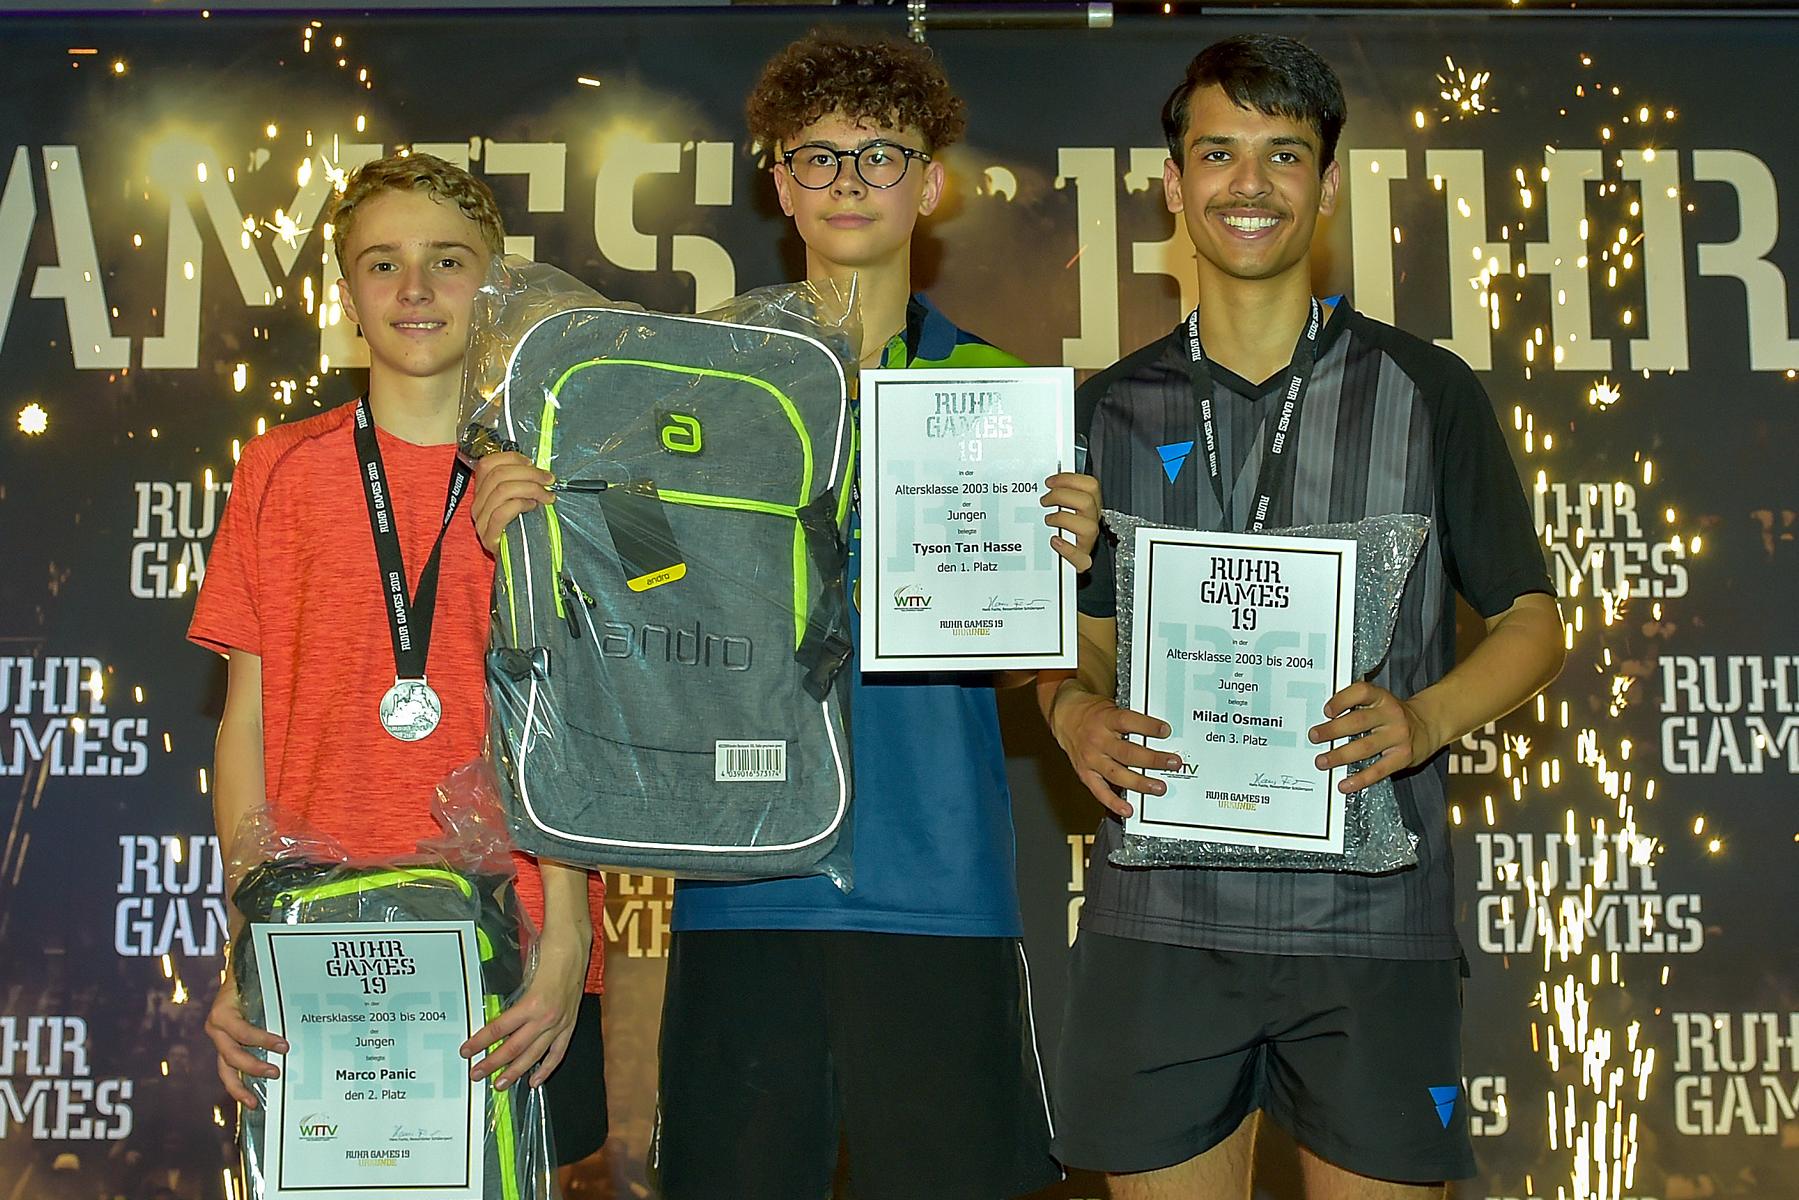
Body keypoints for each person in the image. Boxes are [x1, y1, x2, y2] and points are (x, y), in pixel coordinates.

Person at [475, 29, 1098, 1200]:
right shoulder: (699, 381)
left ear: (930, 182)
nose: (849, 182)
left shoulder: (995, 393)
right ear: (778, 183)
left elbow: (1022, 668)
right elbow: (651, 590)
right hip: (744, 877)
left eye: (880, 155)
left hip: (937, 889)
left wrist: (1048, 578)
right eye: (816, 157)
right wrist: (555, 518)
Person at [1043, 35, 1566, 1199]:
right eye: (1216, 153)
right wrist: (1071, 712)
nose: (1249, 183)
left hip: (1370, 926)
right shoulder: (1100, 411)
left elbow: (1531, 619)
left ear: (1327, 186)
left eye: (1283, 154)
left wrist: (1422, 721)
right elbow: (1076, 638)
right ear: (1171, 184)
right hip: (1159, 924)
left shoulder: (1426, 392)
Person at [190, 153, 608, 1166]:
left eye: (447, 261)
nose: (414, 289)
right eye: (383, 264)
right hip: (315, 940)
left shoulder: (553, 477)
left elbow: (585, 725)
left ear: (494, 286)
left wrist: (568, 941)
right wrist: (246, 938)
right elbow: (245, 722)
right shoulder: (278, 470)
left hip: (514, 940)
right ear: (347, 296)